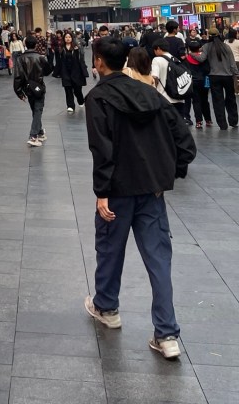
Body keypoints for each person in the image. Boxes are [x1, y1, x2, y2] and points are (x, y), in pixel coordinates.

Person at [84, 37, 196, 360]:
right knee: (159, 260)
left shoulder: (98, 98)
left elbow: (102, 149)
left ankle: (107, 307)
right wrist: (167, 173)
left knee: (109, 249)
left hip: (118, 191)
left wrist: (102, 193)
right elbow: (185, 142)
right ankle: (167, 334)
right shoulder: (151, 94)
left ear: (99, 62)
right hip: (151, 191)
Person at [13, 34, 53, 146]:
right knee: (38, 110)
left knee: (35, 110)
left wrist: (19, 92)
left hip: (28, 88)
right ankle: (33, 135)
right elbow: (48, 70)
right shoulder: (40, 57)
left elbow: (17, 77)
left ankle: (40, 132)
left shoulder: (20, 58)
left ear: (25, 44)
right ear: (36, 45)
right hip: (39, 87)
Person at [201, 27, 239, 130]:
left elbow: (202, 59)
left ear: (209, 36)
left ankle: (222, 124)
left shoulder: (206, 47)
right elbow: (232, 63)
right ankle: (233, 121)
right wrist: (236, 74)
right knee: (231, 99)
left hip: (214, 76)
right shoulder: (226, 46)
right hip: (228, 76)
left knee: (218, 100)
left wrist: (192, 54)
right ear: (219, 35)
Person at [54, 29, 89, 112]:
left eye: (69, 37)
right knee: (68, 89)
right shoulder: (61, 49)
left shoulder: (76, 48)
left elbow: (81, 60)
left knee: (77, 89)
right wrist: (56, 71)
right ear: (64, 38)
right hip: (65, 71)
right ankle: (70, 106)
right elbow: (58, 61)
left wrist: (84, 71)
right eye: (66, 37)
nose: (68, 39)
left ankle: (80, 100)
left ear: (72, 38)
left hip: (76, 71)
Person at [150, 38, 187, 117]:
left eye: (154, 50)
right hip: (179, 99)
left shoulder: (157, 60)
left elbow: (154, 78)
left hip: (164, 99)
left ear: (158, 48)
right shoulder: (176, 60)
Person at [183, 38, 211, 129]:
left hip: (193, 82)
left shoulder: (187, 59)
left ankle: (198, 121)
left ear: (189, 49)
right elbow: (207, 69)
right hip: (204, 81)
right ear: (199, 48)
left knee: (196, 101)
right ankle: (208, 120)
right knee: (205, 100)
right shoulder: (203, 58)